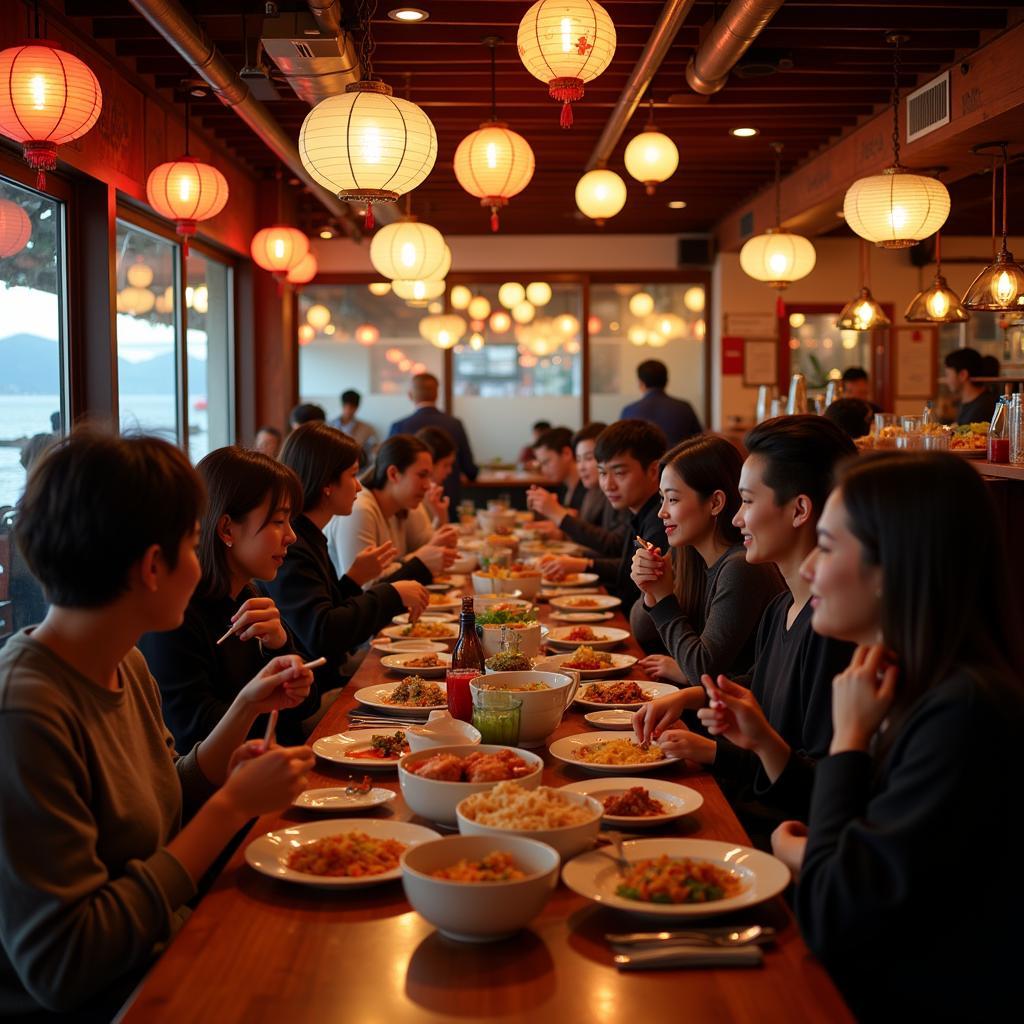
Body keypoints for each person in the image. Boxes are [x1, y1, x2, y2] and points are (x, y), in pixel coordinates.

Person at [0, 432, 314, 1017]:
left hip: (174, 949)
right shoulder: (27, 710)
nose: (199, 570)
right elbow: (64, 965)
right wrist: (229, 809)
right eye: (193, 547)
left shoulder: (124, 660)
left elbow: (164, 797)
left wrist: (242, 716)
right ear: (151, 566)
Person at [728, 452, 1022, 1018]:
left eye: (830, 546)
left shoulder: (965, 713)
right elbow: (867, 842)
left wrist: (849, 740)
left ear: (897, 568)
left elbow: (834, 914)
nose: (809, 568)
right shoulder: (909, 682)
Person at [634, 416, 856, 840]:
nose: (737, 520)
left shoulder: (832, 630)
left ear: (800, 510)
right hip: (748, 806)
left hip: (772, 833)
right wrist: (688, 696)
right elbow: (758, 682)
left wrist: (718, 754)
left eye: (748, 502)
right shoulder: (782, 607)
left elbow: (814, 787)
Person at [140, 447, 320, 752]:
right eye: (278, 521)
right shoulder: (177, 615)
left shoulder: (250, 595)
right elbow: (193, 732)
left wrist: (280, 645)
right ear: (226, 528)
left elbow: (308, 702)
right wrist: (260, 701)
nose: (291, 536)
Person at [264, 423, 429, 683]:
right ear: (327, 483)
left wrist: (352, 581)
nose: (359, 487)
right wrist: (392, 594)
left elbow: (326, 612)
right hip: (312, 692)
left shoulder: (309, 535)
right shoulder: (292, 544)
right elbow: (322, 634)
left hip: (327, 678)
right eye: (353, 475)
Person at [628, 434, 785, 682]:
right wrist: (650, 590)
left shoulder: (741, 567)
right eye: (662, 498)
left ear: (715, 502)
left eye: (674, 499)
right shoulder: (687, 553)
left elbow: (702, 669)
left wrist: (664, 600)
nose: (662, 512)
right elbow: (641, 630)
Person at [540, 419, 668, 612]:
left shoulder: (661, 520)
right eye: (602, 473)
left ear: (652, 470)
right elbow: (626, 568)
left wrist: (582, 563)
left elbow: (629, 578)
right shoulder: (639, 513)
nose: (608, 485)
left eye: (620, 473)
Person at [324, 434, 458, 588]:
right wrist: (419, 559)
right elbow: (365, 588)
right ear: (393, 474)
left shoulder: (404, 504)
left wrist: (440, 521)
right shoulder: (359, 509)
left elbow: (431, 554)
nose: (428, 485)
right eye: (422, 475)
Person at [526, 422, 626, 557]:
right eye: (578, 459)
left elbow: (613, 546)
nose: (581, 467)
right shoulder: (592, 491)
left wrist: (557, 513)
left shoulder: (613, 493)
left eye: (589, 458)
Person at [388, 373, 477, 506]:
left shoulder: (400, 426)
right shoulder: (455, 424)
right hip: (448, 497)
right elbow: (470, 470)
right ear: (437, 394)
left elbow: (388, 466)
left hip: (410, 500)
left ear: (410, 395)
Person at [620, 359, 702, 446]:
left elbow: (622, 445)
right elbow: (699, 440)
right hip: (678, 459)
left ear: (641, 383)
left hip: (643, 459)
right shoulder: (684, 408)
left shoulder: (629, 411)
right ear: (666, 381)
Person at [528, 427, 585, 513]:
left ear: (566, 453)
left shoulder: (588, 488)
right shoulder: (563, 487)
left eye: (546, 462)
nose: (543, 470)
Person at [415, 426, 457, 529]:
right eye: (445, 465)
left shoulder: (433, 492)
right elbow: (423, 542)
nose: (449, 470)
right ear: (430, 463)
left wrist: (441, 516)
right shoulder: (415, 497)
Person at [944, 347, 997, 425]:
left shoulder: (983, 407)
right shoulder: (967, 402)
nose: (946, 380)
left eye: (948, 374)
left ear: (963, 375)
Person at [329, 389, 378, 465]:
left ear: (357, 407)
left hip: (358, 466)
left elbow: (373, 449)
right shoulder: (329, 426)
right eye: (346, 406)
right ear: (342, 405)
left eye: (352, 407)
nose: (348, 410)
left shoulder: (367, 429)